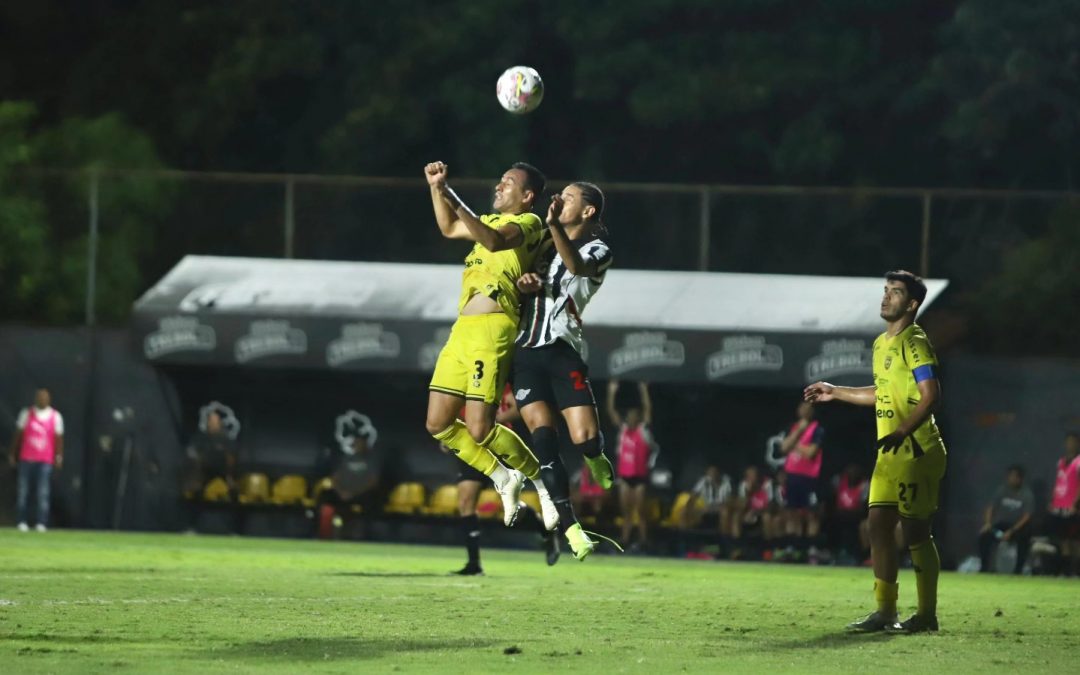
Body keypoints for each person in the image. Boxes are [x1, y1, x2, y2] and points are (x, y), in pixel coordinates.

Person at [805, 270, 947, 633]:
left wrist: (901, 430)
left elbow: (931, 396)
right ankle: (886, 611)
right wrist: (835, 391)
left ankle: (927, 615)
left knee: (916, 534)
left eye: (895, 292)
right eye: (885, 291)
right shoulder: (881, 343)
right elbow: (882, 393)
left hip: (916, 449)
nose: (886, 297)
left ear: (912, 304)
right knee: (877, 527)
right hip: (891, 452)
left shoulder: (914, 341)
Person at [422, 161, 556, 529]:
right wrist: (436, 187)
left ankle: (542, 482)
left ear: (527, 196)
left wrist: (452, 194)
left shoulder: (528, 223)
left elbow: (494, 242)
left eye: (508, 183)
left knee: (481, 428)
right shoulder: (489, 221)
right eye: (499, 180)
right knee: (438, 423)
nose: (499, 187)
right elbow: (449, 227)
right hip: (462, 331)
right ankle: (502, 477)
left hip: (492, 330)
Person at [511, 181, 616, 560]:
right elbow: (524, 283)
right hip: (525, 353)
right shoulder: (541, 243)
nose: (558, 200)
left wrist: (554, 226)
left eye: (569, 198)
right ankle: (571, 527)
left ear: (588, 212)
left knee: (584, 438)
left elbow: (575, 265)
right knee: (543, 442)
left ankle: (595, 455)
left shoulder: (597, 249)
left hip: (562, 352)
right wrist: (525, 284)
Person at [452, 385, 559, 575]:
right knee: (465, 502)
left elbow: (517, 407)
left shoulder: (498, 379)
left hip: (494, 443)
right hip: (470, 445)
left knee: (509, 508)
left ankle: (544, 529)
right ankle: (474, 564)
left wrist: (493, 420)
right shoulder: (461, 377)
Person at [607, 380, 655, 550]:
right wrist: (612, 392)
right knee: (626, 512)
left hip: (640, 478)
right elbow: (611, 412)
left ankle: (643, 540)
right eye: (630, 416)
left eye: (635, 416)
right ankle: (624, 540)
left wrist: (644, 391)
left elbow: (648, 411)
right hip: (625, 477)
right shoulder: (623, 431)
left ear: (638, 418)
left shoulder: (643, 430)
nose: (632, 418)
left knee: (640, 512)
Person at [9, 388, 64, 532]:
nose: (42, 399)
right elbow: (18, 436)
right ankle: (21, 521)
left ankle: (41, 522)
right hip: (26, 458)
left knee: (42, 492)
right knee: (23, 492)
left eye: (45, 397)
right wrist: (13, 454)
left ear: (49, 399)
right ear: (35, 399)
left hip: (45, 460)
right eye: (39, 397)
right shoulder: (27, 414)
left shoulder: (55, 416)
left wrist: (58, 457)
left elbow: (58, 439)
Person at [779, 401, 824, 553]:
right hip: (792, 475)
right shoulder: (793, 428)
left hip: (809, 477)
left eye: (808, 408)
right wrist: (798, 432)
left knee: (811, 514)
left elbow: (811, 453)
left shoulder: (817, 429)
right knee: (792, 512)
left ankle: (812, 548)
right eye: (802, 407)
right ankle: (792, 547)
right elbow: (784, 448)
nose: (804, 410)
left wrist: (794, 444)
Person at [978, 465, 1034, 574]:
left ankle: (1018, 571)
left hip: (1017, 528)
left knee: (1024, 540)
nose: (1011, 479)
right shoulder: (1002, 490)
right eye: (1010, 476)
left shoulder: (1027, 494)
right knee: (984, 537)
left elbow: (1027, 516)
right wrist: (988, 523)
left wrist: (1012, 531)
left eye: (1014, 477)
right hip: (1001, 526)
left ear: (1020, 479)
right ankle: (984, 568)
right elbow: (991, 507)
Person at [1048, 432, 1080, 576]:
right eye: (1068, 441)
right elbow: (1059, 482)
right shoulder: (1061, 461)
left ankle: (1077, 571)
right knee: (1064, 540)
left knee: (1075, 540)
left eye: (1073, 441)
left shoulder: (1078, 461)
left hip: (1073, 507)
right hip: (1060, 506)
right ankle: (1066, 572)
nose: (1070, 444)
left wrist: (1076, 503)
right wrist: (1053, 500)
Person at [829, 464, 870, 564]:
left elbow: (864, 506)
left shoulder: (865, 485)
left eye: (855, 470)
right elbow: (832, 500)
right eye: (850, 470)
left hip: (857, 516)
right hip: (840, 515)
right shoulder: (840, 482)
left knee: (860, 527)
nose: (852, 472)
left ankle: (862, 556)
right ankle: (838, 552)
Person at [730, 465, 775, 542]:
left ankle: (769, 544)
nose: (751, 477)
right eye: (749, 475)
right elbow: (742, 504)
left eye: (753, 475)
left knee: (767, 517)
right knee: (736, 516)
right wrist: (749, 493)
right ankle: (737, 544)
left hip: (764, 510)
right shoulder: (744, 484)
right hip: (748, 510)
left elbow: (770, 504)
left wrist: (755, 512)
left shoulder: (767, 483)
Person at [680, 465, 732, 533]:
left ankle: (723, 538)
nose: (712, 475)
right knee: (684, 511)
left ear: (719, 473)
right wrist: (688, 507)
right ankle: (685, 536)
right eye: (710, 473)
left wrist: (712, 508)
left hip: (721, 507)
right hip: (706, 507)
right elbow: (693, 496)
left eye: (714, 473)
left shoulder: (726, 482)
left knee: (725, 512)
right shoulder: (704, 481)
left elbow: (729, 501)